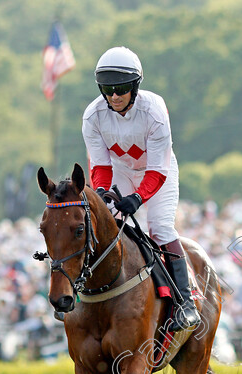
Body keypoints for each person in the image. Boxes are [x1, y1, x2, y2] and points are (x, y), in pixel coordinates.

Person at [81, 46, 199, 331]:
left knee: (159, 228)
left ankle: (185, 303)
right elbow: (100, 166)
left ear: (134, 86)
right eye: (107, 89)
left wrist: (138, 197)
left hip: (157, 171)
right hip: (119, 171)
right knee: (112, 226)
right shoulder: (92, 116)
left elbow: (158, 169)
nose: (114, 96)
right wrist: (102, 192)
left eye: (121, 88)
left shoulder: (154, 111)